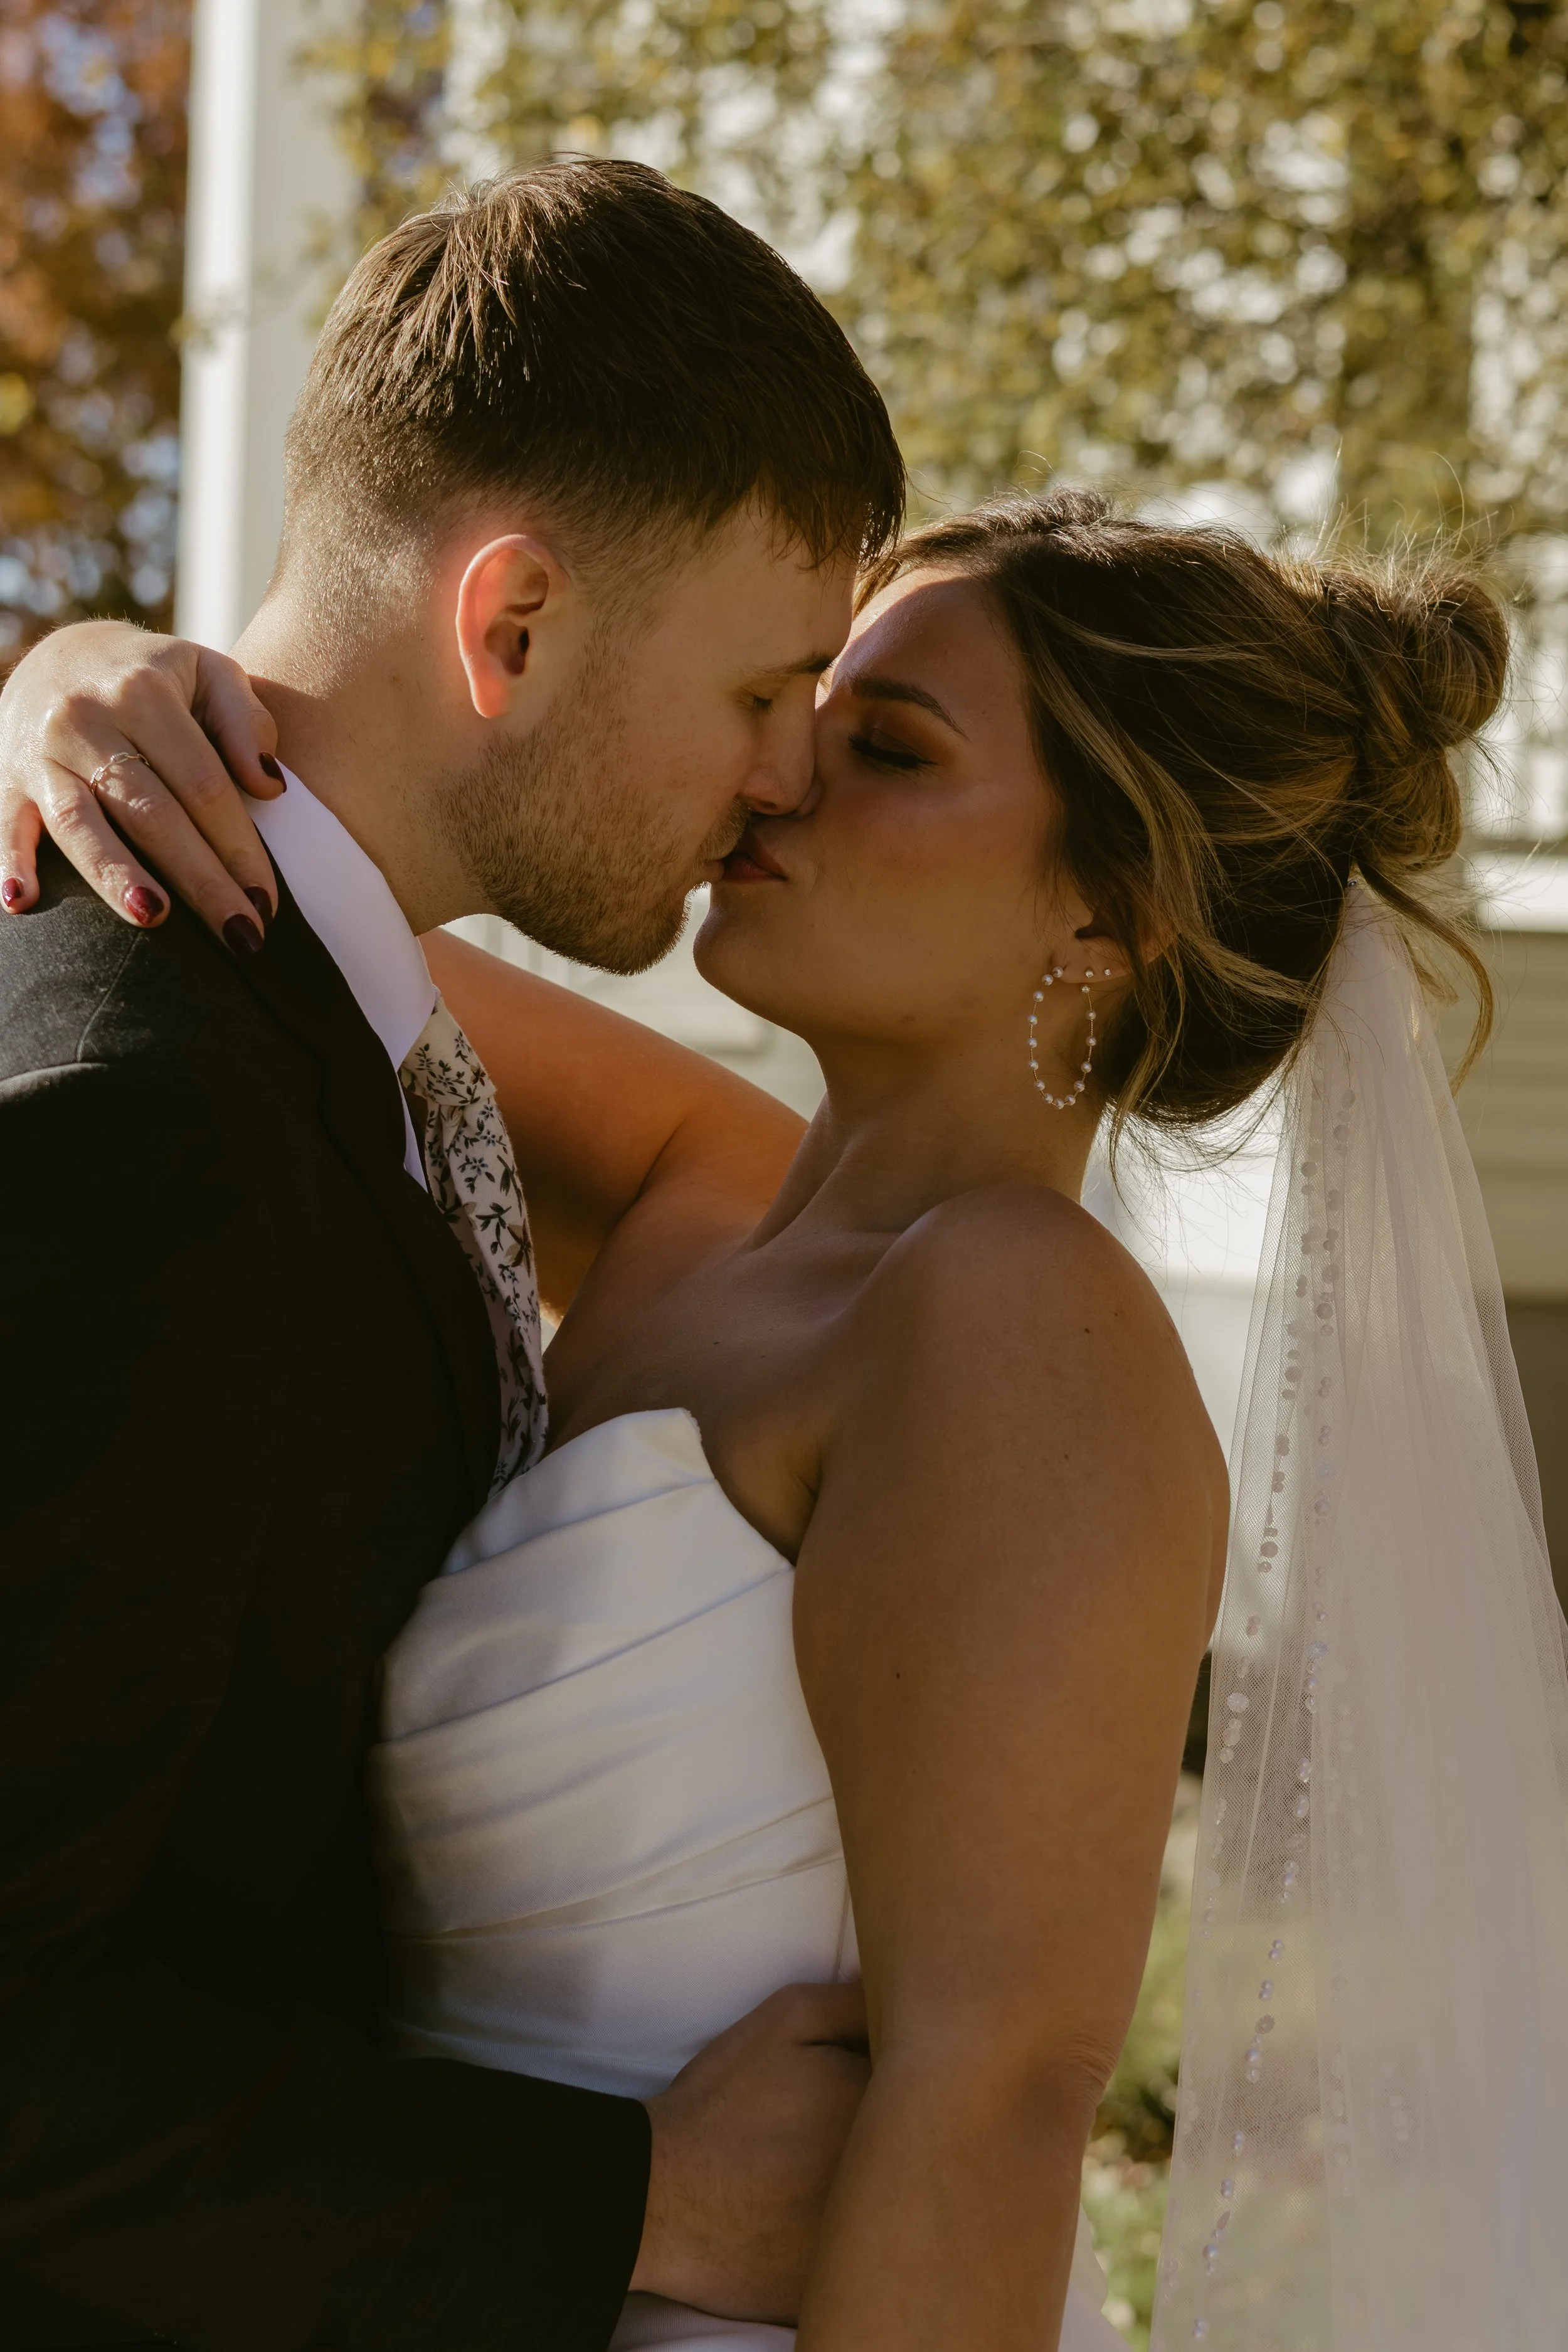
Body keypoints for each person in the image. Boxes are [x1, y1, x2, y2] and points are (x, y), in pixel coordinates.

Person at [13, 474, 1566, 2352]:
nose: (775, 780)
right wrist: (78, 682)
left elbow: (993, 2099)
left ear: (1113, 916)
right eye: (797, 710)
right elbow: (267, 905)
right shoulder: (705, 1211)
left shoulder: (1016, 1319)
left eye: (887, 750)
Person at [0, 160, 904, 2352]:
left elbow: (736, 1170)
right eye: (764, 688)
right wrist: (640, 2198)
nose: (789, 777)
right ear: (510, 627)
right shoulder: (142, 1128)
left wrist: (66, 656)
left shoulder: (326, 1013)